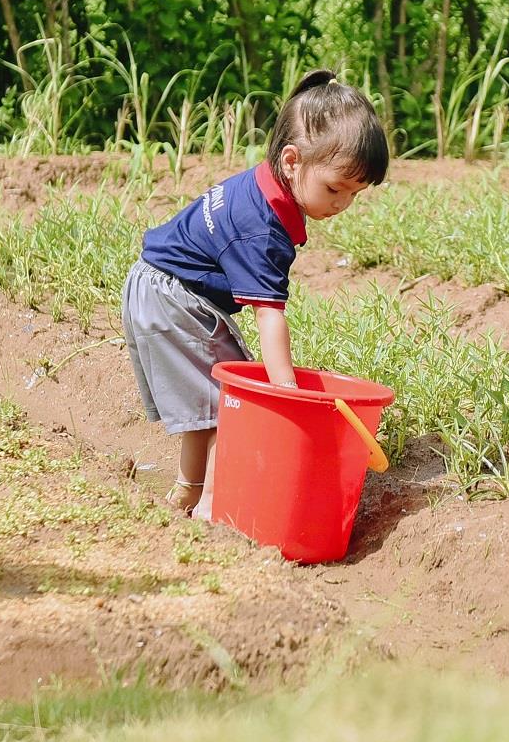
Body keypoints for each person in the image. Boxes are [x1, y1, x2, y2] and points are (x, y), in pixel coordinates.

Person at [122, 72, 389, 519]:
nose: (342, 204)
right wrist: (284, 392)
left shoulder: (263, 186)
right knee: (235, 404)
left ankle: (187, 493)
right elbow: (270, 315)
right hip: (175, 299)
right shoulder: (262, 229)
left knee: (206, 405)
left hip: (152, 285)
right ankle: (214, 509)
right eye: (334, 188)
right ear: (292, 160)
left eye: (354, 194)